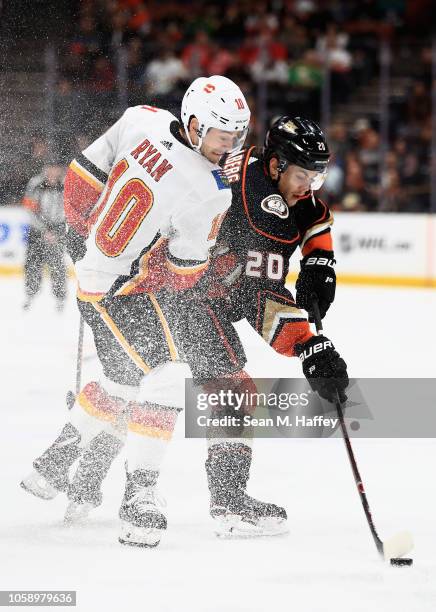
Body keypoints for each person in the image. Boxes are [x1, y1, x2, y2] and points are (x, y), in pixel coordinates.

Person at [27, 116, 348, 540]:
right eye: (303, 174)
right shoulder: (250, 205)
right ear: (275, 166)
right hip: (182, 297)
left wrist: (320, 259)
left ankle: (83, 475)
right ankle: (224, 503)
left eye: (316, 176)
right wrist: (308, 345)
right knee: (219, 388)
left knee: (134, 385)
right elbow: (258, 297)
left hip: (169, 286)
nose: (308, 186)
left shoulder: (256, 172)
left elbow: (312, 217)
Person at [20, 75, 251, 548]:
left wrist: (83, 232)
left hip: (97, 276)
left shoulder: (141, 119)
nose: (230, 147)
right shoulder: (211, 192)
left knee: (123, 381)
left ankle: (52, 465)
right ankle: (140, 495)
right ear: (192, 124)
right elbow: (186, 270)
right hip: (120, 291)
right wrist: (167, 264)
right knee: (169, 374)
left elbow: (84, 170)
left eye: (236, 138)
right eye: (222, 137)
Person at [22, 161, 67, 311]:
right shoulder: (35, 184)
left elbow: (70, 209)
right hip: (37, 231)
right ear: (45, 169)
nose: (53, 172)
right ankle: (30, 294)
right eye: (50, 169)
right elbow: (29, 209)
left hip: (57, 231)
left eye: (56, 169)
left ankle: (60, 298)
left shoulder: (67, 184)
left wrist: (58, 231)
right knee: (32, 263)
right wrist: (43, 230)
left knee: (58, 266)